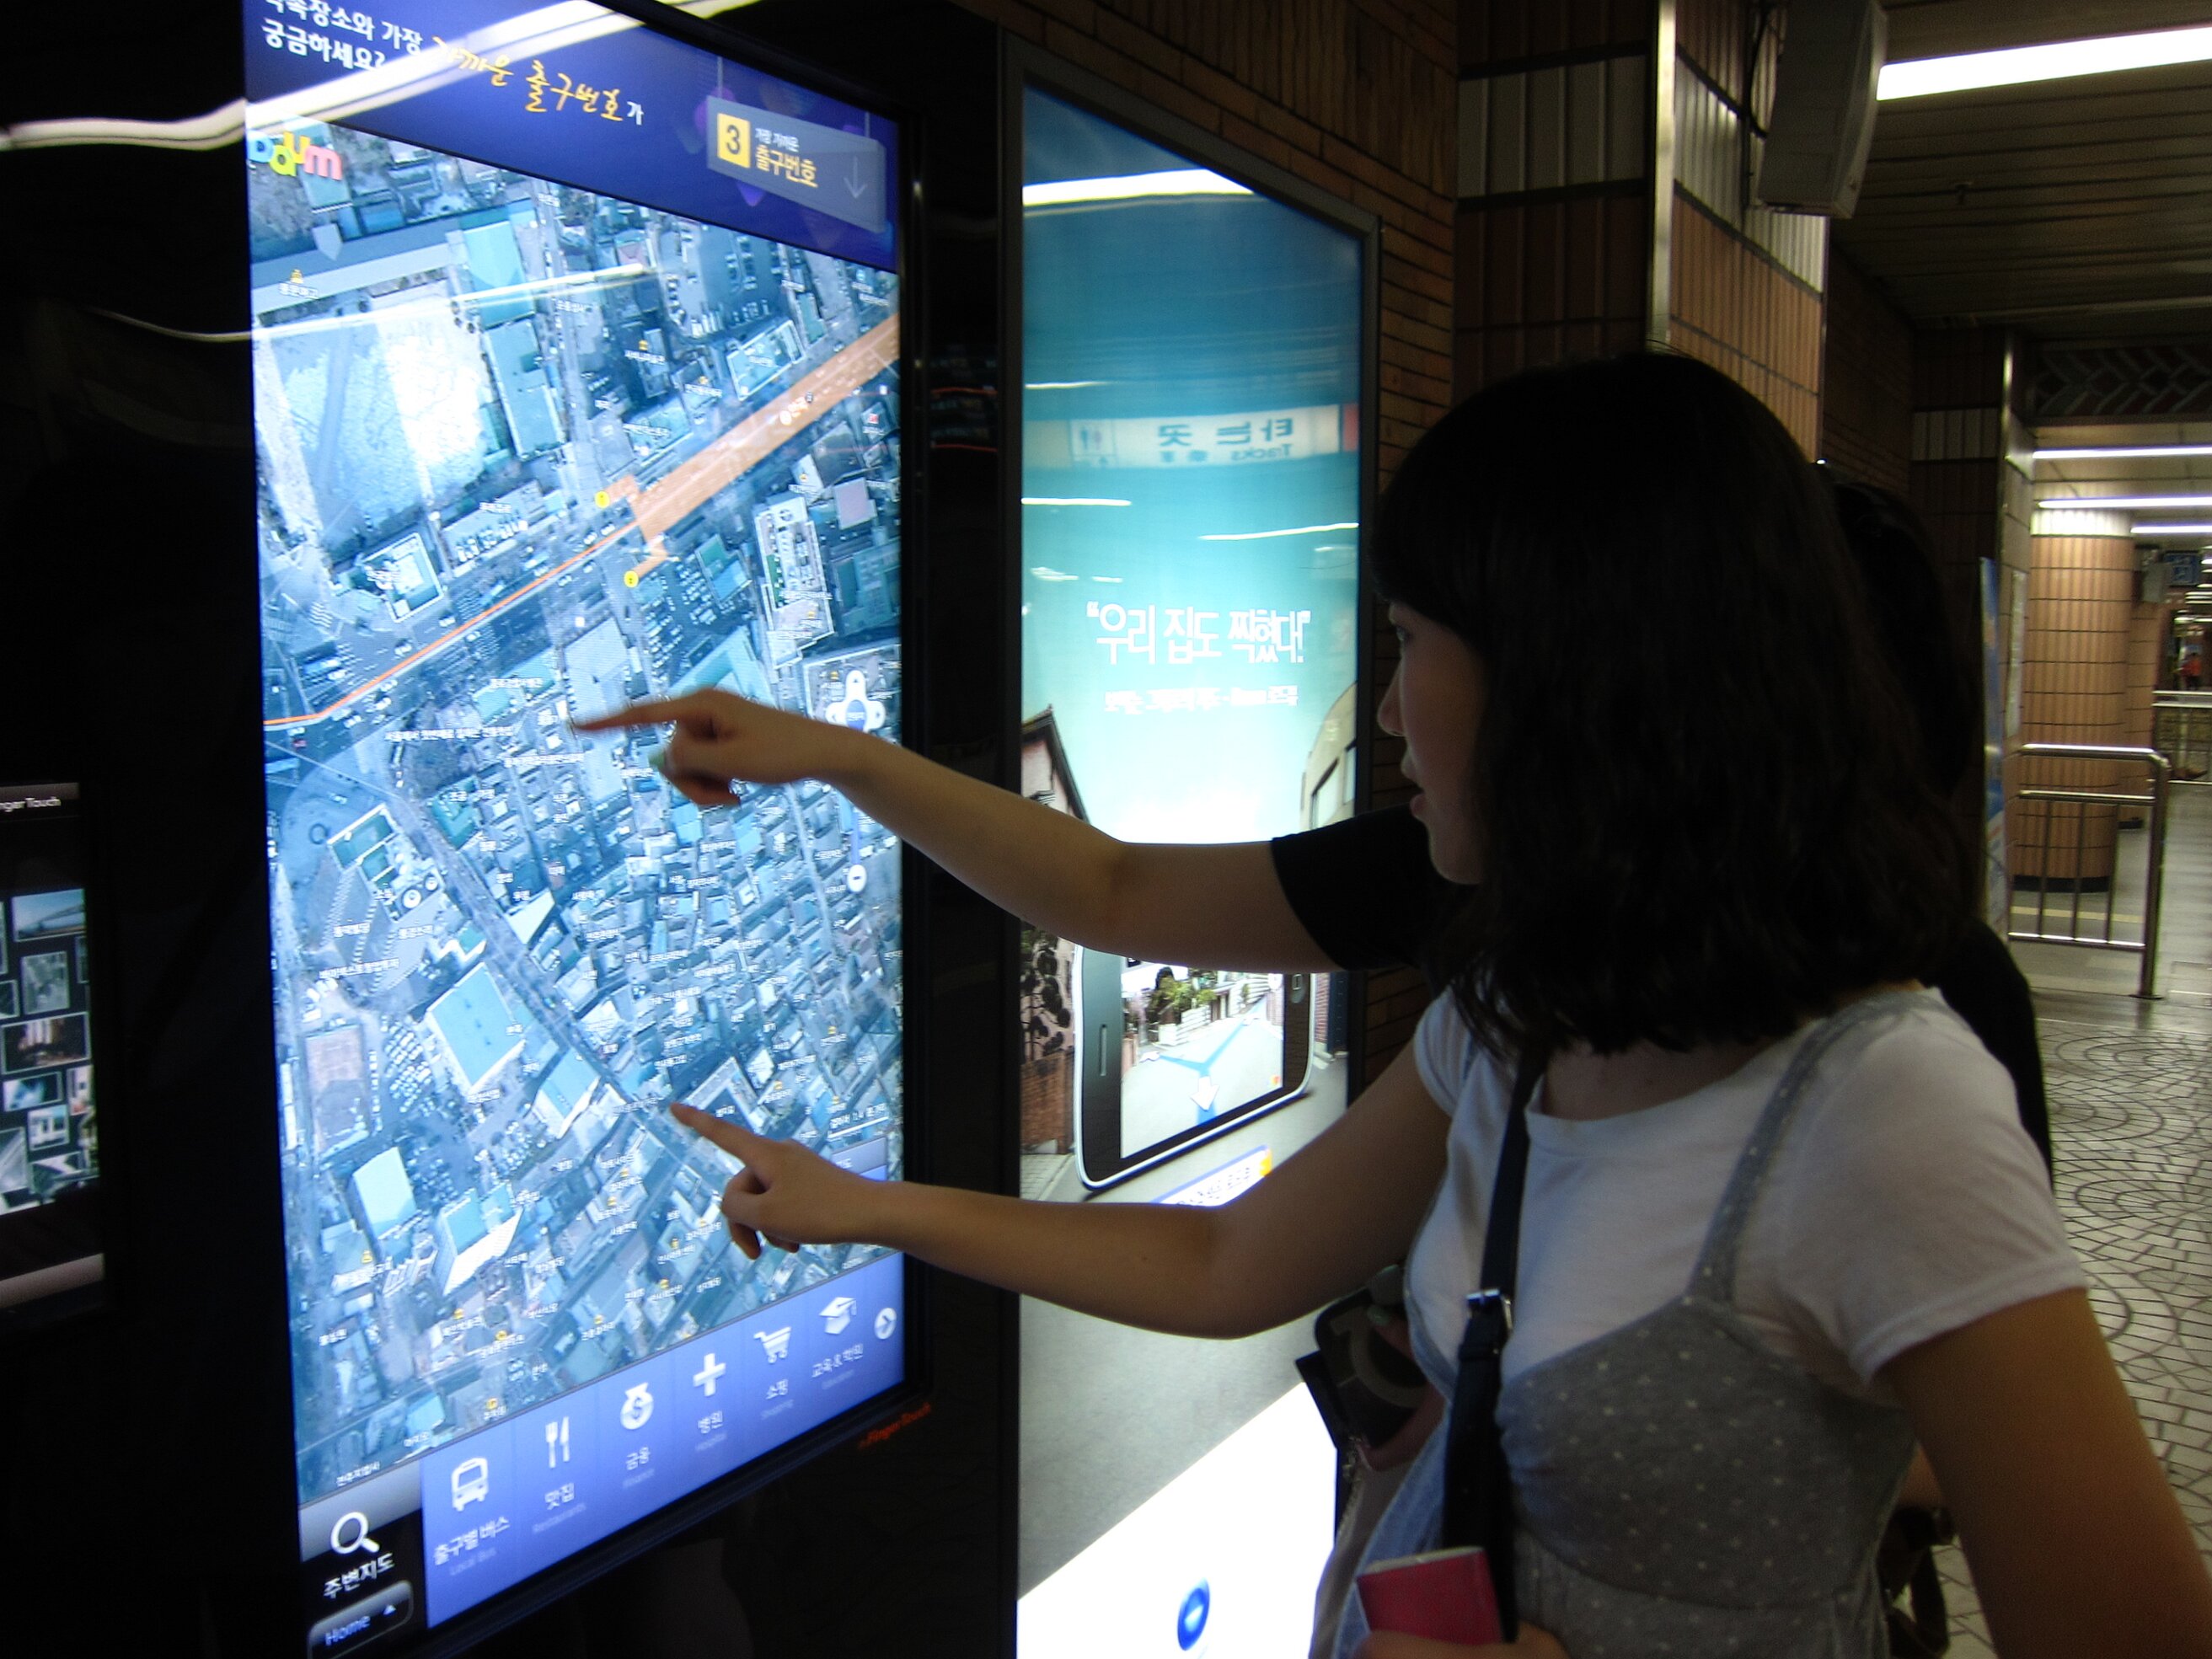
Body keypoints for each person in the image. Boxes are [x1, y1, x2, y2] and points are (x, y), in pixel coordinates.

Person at [581, 354, 2212, 1657]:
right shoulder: (1520, 1008)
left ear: (1573, 685)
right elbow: (1229, 1257)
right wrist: (871, 1205)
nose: (1382, 706)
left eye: (1414, 640)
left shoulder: (1881, 1109)